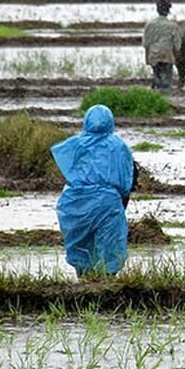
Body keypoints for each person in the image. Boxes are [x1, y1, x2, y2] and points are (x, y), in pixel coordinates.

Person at [53, 105, 136, 277]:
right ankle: (105, 288)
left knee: (81, 246)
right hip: (107, 202)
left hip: (75, 202)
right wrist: (121, 203)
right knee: (109, 249)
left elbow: (69, 172)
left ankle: (84, 285)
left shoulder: (73, 144)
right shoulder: (118, 146)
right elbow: (126, 180)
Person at [142, 0, 184, 90]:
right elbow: (177, 45)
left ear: (157, 10)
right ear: (168, 11)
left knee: (157, 79)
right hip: (167, 55)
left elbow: (145, 43)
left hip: (154, 55)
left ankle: (158, 94)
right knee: (166, 82)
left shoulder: (149, 25)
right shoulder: (173, 26)